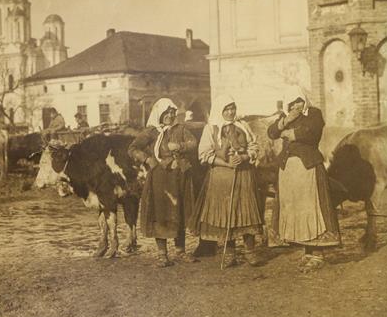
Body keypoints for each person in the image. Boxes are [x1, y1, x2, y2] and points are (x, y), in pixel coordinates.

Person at [267, 85, 340, 272]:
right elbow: (271, 133)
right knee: (297, 209)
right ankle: (307, 251)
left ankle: (318, 253)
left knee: (311, 207)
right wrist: (284, 124)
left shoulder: (314, 113)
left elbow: (311, 132)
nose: (296, 105)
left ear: (304, 100)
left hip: (307, 168)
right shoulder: (286, 117)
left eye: (299, 101)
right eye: (292, 103)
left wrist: (289, 133)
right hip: (289, 171)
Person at [188, 95, 263, 268]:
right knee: (226, 215)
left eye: (233, 108)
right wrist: (227, 163)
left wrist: (244, 156)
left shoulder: (242, 126)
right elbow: (204, 154)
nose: (230, 112)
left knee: (246, 212)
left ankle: (250, 251)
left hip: (244, 174)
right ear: (220, 110)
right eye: (227, 109)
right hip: (221, 176)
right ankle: (230, 254)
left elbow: (255, 146)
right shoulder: (211, 129)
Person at [128, 98, 198, 267]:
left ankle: (180, 251)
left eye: (172, 113)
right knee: (161, 212)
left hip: (178, 175)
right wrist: (147, 159)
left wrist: (180, 146)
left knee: (178, 210)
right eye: (166, 113)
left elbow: (193, 143)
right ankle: (162, 254)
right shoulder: (151, 132)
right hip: (159, 177)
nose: (169, 116)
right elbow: (132, 148)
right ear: (159, 114)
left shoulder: (180, 129)